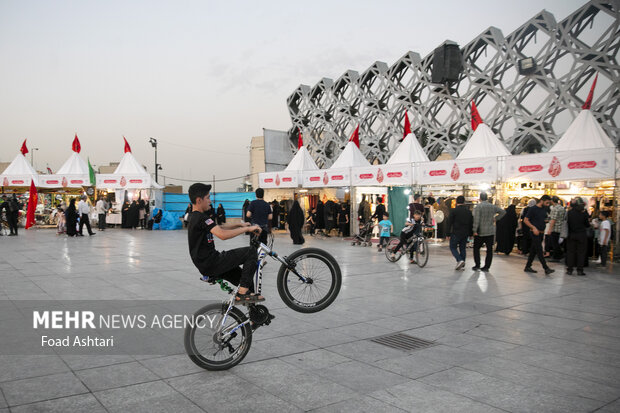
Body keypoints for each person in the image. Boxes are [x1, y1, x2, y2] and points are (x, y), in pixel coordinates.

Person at [187, 183, 263, 302]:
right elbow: (222, 235)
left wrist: (239, 224)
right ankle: (242, 292)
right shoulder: (201, 218)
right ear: (199, 200)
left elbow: (219, 227)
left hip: (207, 264)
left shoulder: (195, 216)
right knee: (250, 252)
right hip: (212, 261)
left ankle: (253, 318)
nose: (210, 201)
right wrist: (247, 229)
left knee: (247, 282)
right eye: (208, 198)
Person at [472, 192, 505, 272]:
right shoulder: (492, 206)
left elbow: (476, 220)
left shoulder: (478, 207)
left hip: (480, 231)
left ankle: (477, 264)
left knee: (476, 248)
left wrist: (474, 230)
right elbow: (503, 212)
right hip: (490, 231)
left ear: (480, 198)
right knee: (489, 249)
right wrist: (496, 218)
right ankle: (487, 266)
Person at [523, 195, 554, 275]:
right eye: (547, 202)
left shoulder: (545, 209)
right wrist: (533, 228)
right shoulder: (533, 209)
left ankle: (527, 266)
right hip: (534, 232)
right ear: (542, 200)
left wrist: (546, 221)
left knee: (533, 250)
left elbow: (545, 218)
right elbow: (525, 220)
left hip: (541, 232)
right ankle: (546, 268)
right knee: (539, 250)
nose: (547, 204)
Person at [446, 195, 472, 270]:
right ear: (464, 202)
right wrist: (470, 233)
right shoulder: (468, 212)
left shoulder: (453, 211)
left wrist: (447, 233)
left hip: (456, 232)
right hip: (465, 233)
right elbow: (471, 223)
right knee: (462, 248)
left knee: (452, 247)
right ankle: (462, 262)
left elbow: (449, 223)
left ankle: (459, 260)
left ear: (456, 202)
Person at [566, 198, 590, 275]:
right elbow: (587, 225)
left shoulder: (569, 213)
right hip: (581, 235)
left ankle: (570, 269)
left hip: (571, 234)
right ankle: (580, 270)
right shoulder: (583, 213)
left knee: (570, 252)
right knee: (581, 253)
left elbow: (567, 223)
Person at [547, 196, 565, 261]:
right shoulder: (562, 208)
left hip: (555, 228)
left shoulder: (555, 209)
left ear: (552, 201)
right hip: (561, 227)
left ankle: (557, 256)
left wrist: (549, 229)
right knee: (557, 243)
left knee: (554, 243)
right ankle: (559, 255)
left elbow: (553, 220)